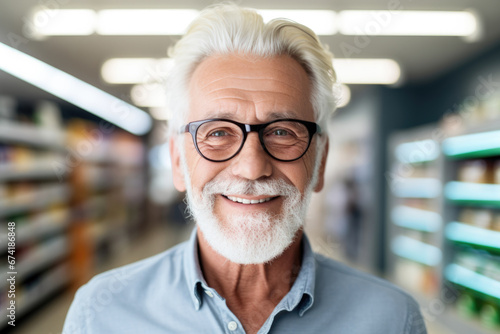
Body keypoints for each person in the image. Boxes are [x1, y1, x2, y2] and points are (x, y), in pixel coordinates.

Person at [63, 4, 427, 334]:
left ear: (320, 161)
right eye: (218, 132)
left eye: (283, 131)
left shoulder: (392, 320)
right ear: (177, 160)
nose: (252, 168)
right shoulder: (101, 315)